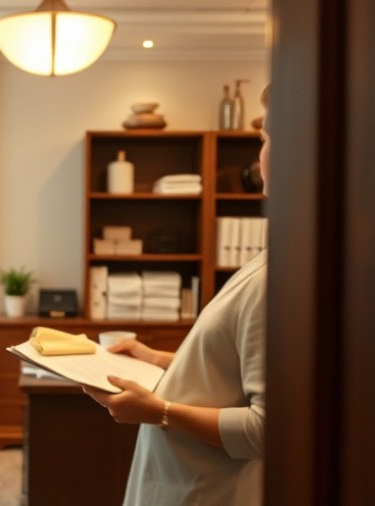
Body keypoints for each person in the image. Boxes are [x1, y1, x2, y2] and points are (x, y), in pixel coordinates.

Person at [85, 86, 271, 505]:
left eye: (264, 140)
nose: (259, 156)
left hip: (206, 489)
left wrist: (158, 412)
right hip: (186, 477)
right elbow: (229, 372)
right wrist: (154, 359)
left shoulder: (276, 281)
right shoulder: (271, 260)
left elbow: (265, 429)